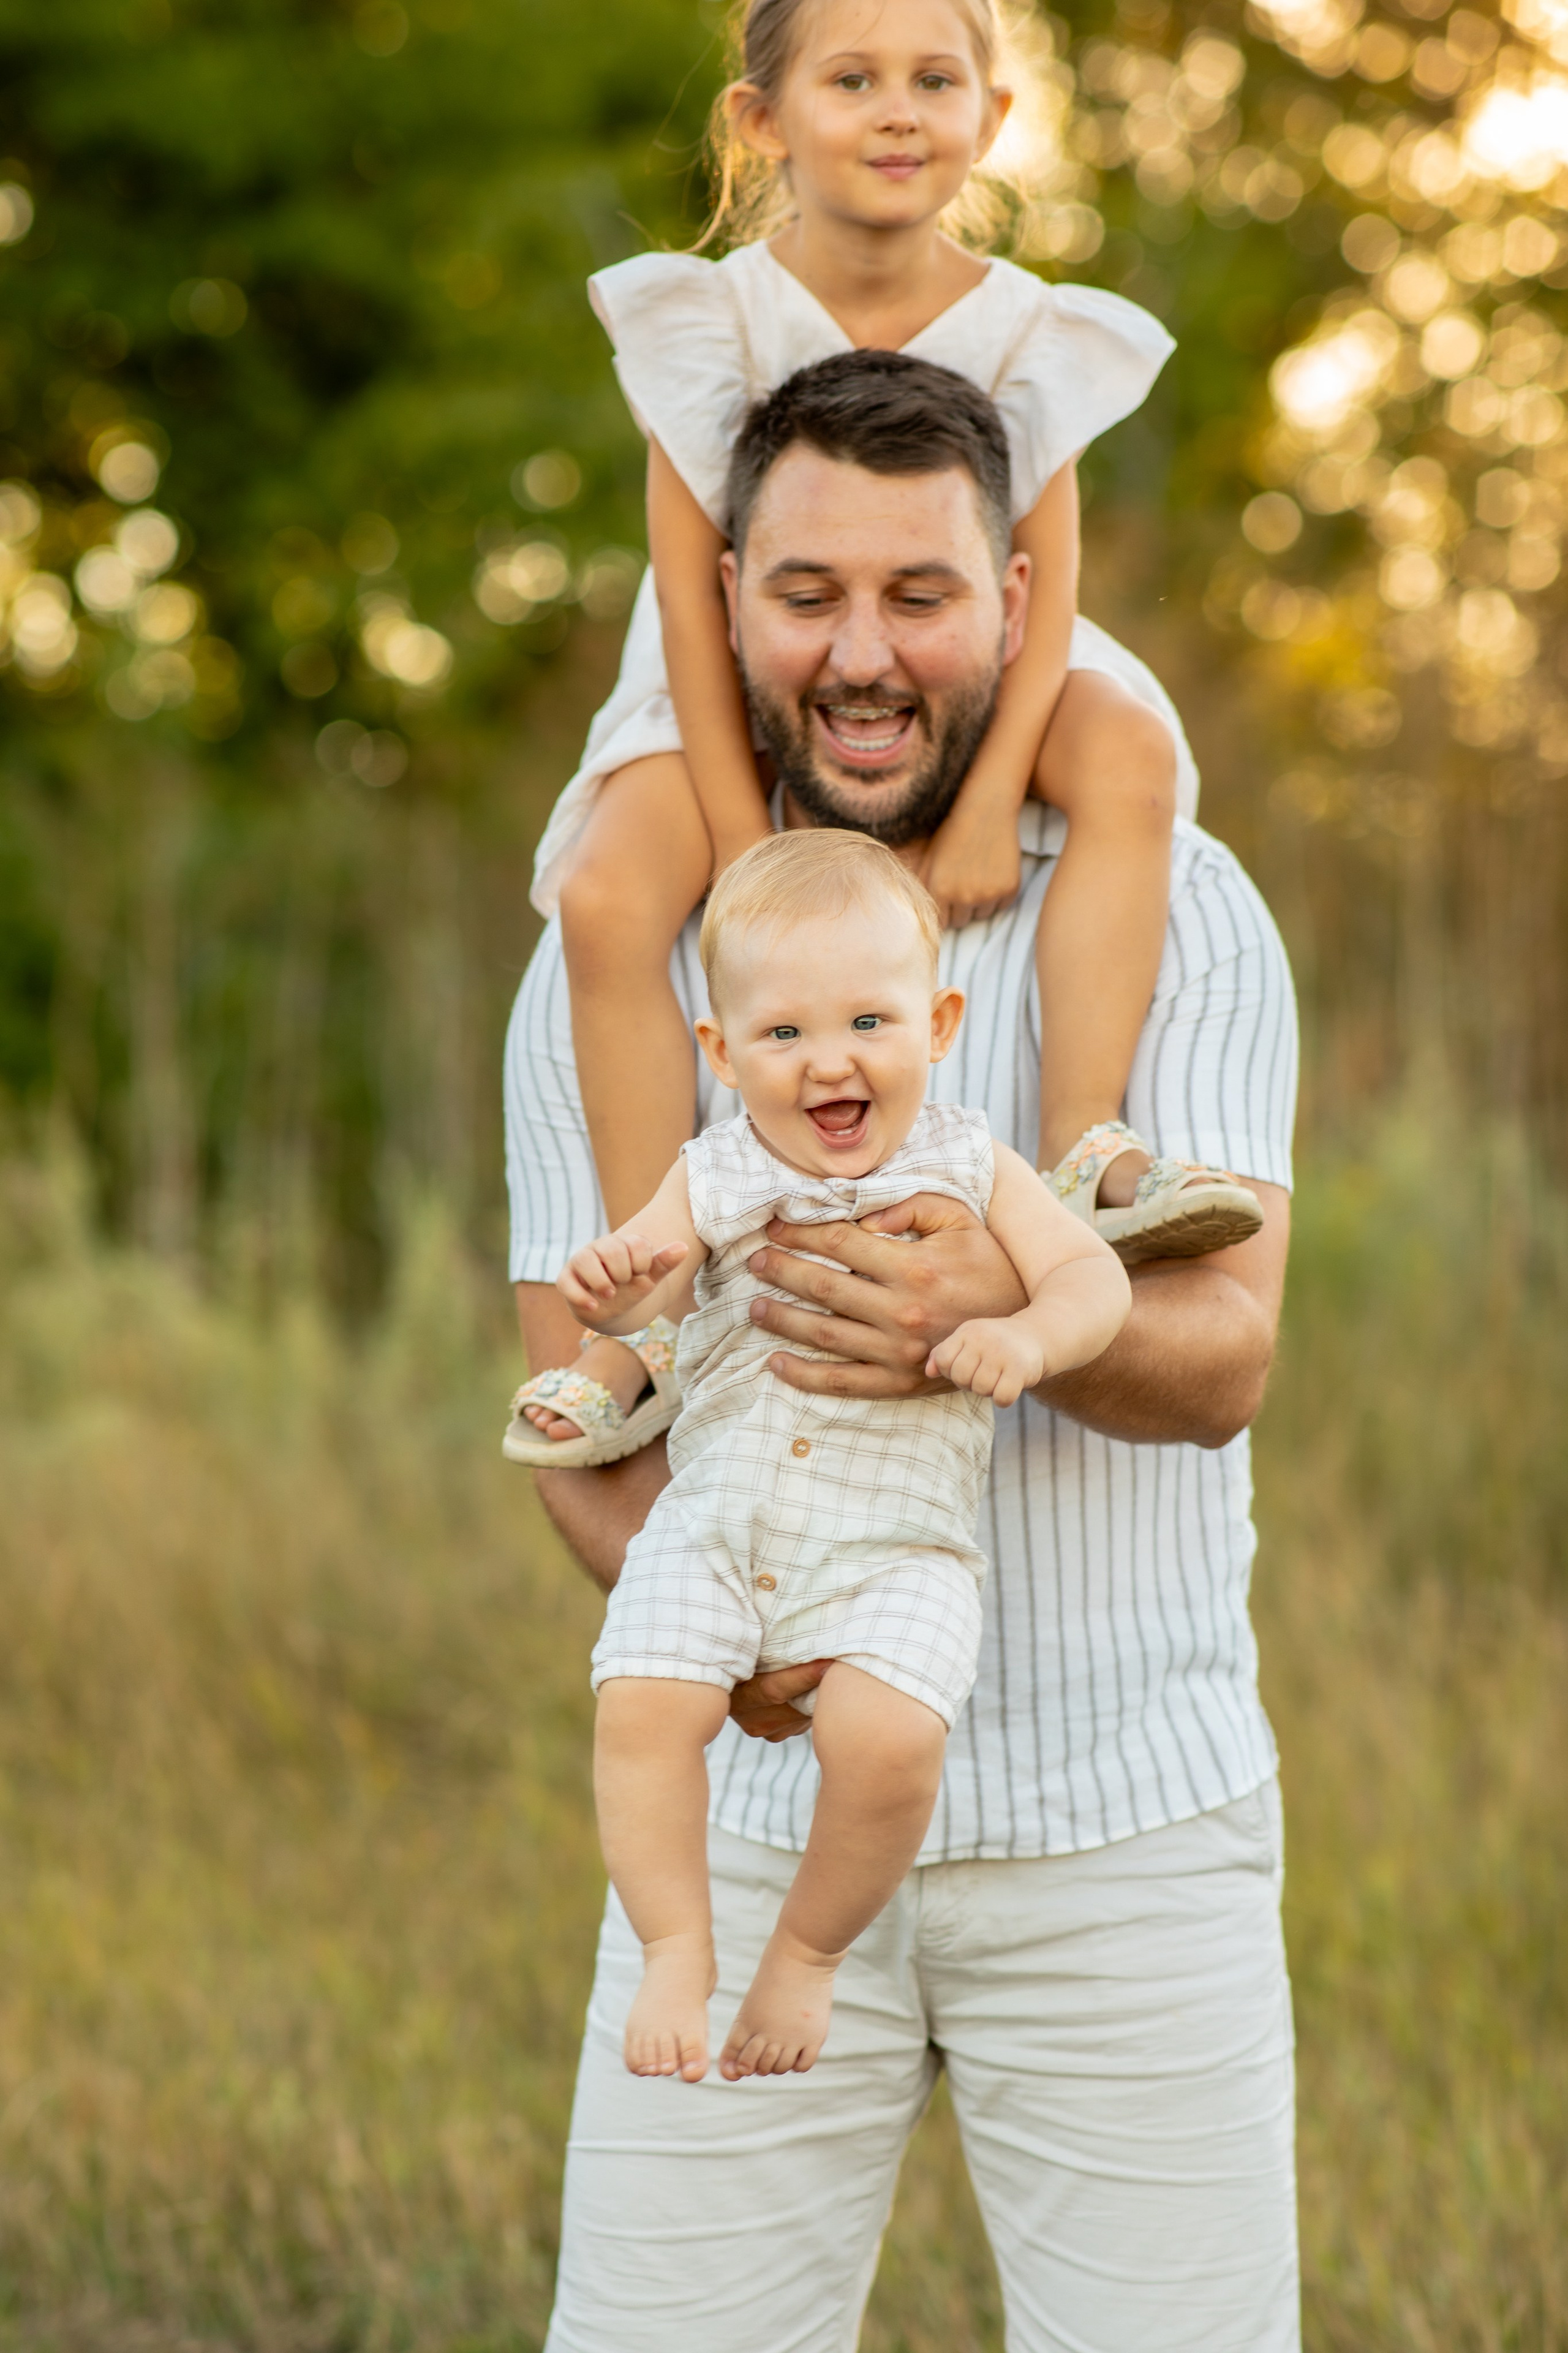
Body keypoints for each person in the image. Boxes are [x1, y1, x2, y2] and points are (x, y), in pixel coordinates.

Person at [505, 353, 1302, 2350]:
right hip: (751, 1840)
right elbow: (587, 1421)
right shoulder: (640, 952)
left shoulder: (1182, 904)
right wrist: (759, 1662)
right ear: (729, 608)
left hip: (1129, 1837)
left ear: (1018, 606)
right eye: (806, 593)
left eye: (921, 593)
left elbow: (1226, 1355)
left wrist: (988, 1311)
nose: (862, 652)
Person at [533, 0, 1261, 1418]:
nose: (895, 111)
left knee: (1127, 747)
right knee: (611, 893)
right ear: (761, 123)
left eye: (935, 80)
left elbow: (1039, 593)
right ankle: (650, 1299)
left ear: (992, 118)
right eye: (850, 79)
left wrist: (992, 795)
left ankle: (1084, 1145)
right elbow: (697, 602)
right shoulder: (713, 319)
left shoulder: (1025, 328)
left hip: (966, 650)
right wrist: (748, 848)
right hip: (740, 666)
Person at [559, 831, 1129, 2086]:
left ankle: (805, 1954)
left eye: (869, 1019)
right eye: (781, 1035)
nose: (830, 1060)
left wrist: (1026, 1333)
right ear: (721, 1053)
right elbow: (638, 1305)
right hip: (718, 1522)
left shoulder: (972, 1164)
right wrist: (607, 1289)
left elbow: (1093, 1280)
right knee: (641, 1707)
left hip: (896, 1551)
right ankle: (673, 1942)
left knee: (884, 1739)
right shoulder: (712, 1173)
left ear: (936, 1022)